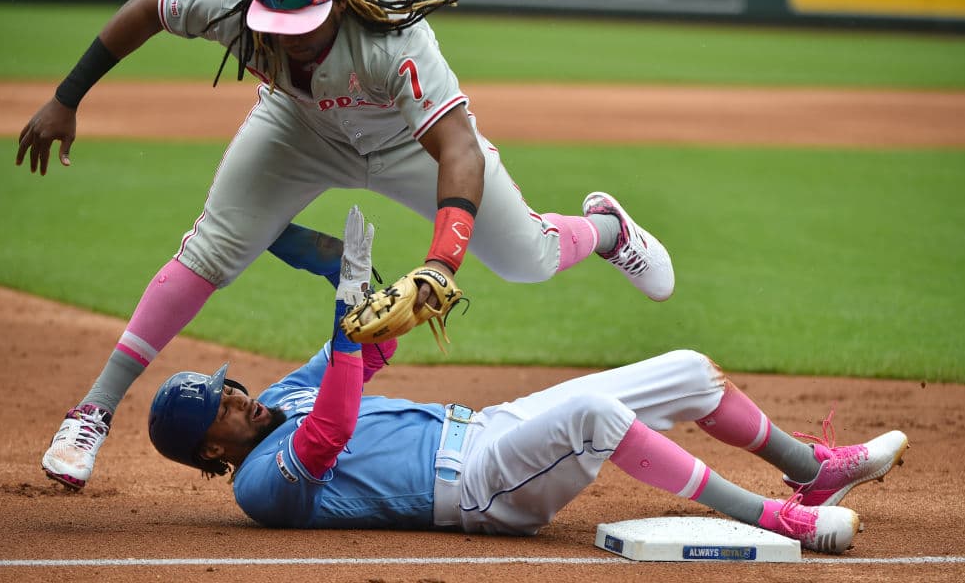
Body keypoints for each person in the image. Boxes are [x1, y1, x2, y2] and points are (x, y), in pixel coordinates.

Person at [19, 0, 676, 490]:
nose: (291, 41)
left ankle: (610, 230)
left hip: (405, 144)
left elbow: (458, 152)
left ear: (336, 2)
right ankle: (92, 412)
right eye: (277, 26)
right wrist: (66, 98)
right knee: (211, 250)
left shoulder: (391, 37)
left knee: (526, 260)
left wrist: (441, 264)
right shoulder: (231, 1)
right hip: (294, 130)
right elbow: (145, 10)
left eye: (304, 26)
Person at [148, 206, 909, 555]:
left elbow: (364, 355)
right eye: (220, 409)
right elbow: (334, 429)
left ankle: (811, 473)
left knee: (686, 372)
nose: (238, 397)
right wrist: (346, 325)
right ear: (210, 455)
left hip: (488, 430)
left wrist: (395, 306)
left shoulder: (280, 397)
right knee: (591, 414)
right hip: (477, 491)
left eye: (226, 387)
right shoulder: (260, 489)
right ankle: (774, 519)